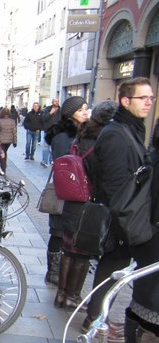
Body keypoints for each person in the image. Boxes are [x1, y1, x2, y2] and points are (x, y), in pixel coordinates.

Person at [82, 77, 154, 343]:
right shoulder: (116, 133)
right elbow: (114, 185)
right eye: (142, 98)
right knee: (110, 267)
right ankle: (95, 319)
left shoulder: (131, 130)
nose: (148, 102)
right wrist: (127, 222)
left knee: (115, 268)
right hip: (121, 218)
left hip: (127, 217)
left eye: (150, 98)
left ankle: (98, 317)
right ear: (125, 101)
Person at [55, 100, 117, 310]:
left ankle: (61, 295)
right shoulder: (100, 141)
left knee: (68, 250)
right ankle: (72, 295)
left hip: (71, 202)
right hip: (87, 204)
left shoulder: (80, 137)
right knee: (82, 253)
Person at [124, 125, 159, 343]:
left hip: (146, 239)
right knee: (155, 309)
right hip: (155, 240)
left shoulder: (152, 159)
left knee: (141, 300)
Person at [43, 96, 88, 287]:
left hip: (77, 192)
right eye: (81, 110)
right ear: (71, 114)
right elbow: (64, 165)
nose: (86, 113)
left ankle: (61, 271)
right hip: (65, 192)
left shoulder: (83, 133)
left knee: (67, 232)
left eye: (86, 108)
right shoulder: (63, 136)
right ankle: (53, 272)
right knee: (58, 232)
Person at [0, 107, 17, 172]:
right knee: (5, 152)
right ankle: (4, 167)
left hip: (1, 141)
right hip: (9, 141)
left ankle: (3, 169)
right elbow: (14, 132)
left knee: (2, 153)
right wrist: (15, 141)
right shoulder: (12, 121)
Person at [41, 98, 61, 167]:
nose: (56, 102)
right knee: (46, 147)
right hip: (48, 131)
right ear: (52, 102)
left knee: (54, 147)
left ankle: (52, 160)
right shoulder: (47, 109)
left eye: (57, 101)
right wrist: (50, 113)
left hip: (57, 131)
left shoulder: (60, 110)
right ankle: (44, 161)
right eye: (55, 101)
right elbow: (43, 118)